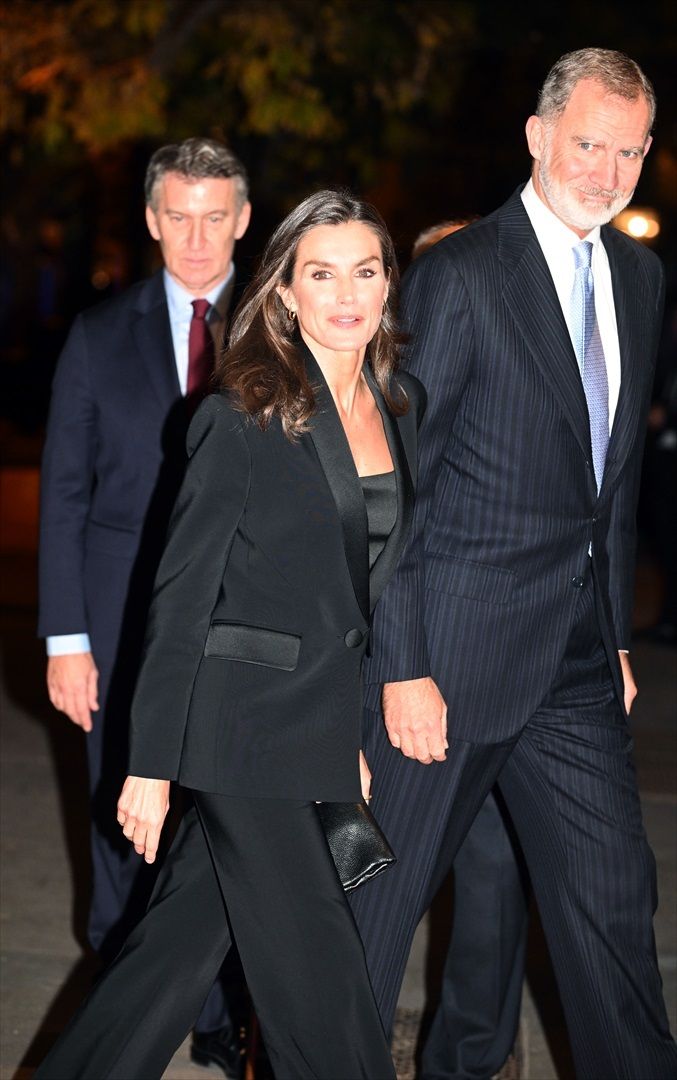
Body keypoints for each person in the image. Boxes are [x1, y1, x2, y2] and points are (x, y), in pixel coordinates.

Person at [34, 189, 425, 1080]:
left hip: (309, 733)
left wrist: (344, 735)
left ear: (387, 282)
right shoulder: (242, 414)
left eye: (364, 271)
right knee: (323, 992)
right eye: (319, 274)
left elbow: (355, 598)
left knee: (160, 969)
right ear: (284, 291)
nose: (345, 294)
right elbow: (179, 600)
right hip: (240, 735)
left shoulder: (395, 403)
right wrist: (149, 762)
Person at [349, 47, 677, 1079]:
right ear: (537, 137)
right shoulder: (459, 275)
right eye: (587, 143)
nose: (605, 171)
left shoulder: (638, 274)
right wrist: (399, 665)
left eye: (628, 151)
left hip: (573, 665)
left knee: (613, 907)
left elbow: (608, 485)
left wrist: (614, 636)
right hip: (443, 665)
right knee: (368, 923)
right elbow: (394, 488)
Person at [38, 137, 252, 1076]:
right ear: (152, 218)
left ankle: (214, 1003)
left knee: (226, 815)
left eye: (216, 215)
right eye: (178, 215)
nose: (196, 237)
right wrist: (65, 637)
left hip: (246, 615)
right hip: (120, 618)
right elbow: (64, 496)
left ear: (244, 219)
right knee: (121, 804)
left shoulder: (286, 323)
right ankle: (121, 980)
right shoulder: (97, 334)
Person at [409, 219, 529, 1080]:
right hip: (389, 676)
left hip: (500, 676)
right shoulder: (365, 387)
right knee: (357, 879)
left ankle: (468, 1061)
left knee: (491, 879)